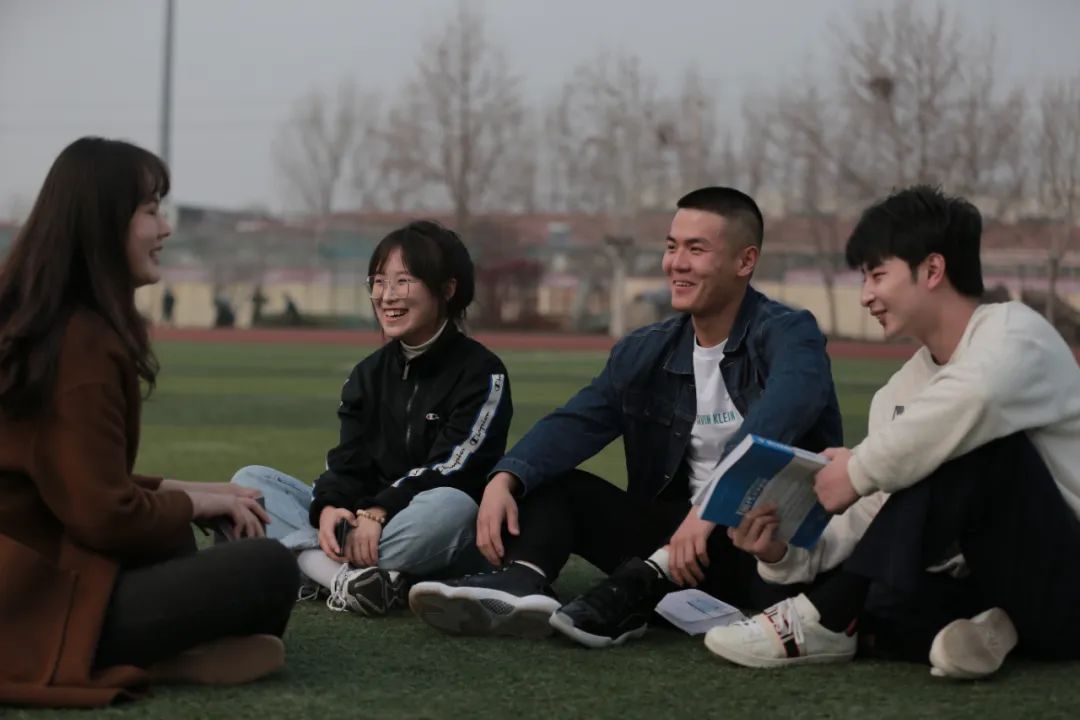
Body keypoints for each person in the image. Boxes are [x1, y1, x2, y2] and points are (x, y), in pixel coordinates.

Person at [409, 187, 843, 647]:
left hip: (765, 548)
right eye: (672, 246)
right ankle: (521, 582)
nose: (676, 263)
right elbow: (576, 422)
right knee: (552, 483)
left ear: (745, 261)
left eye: (696, 250)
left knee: (744, 527)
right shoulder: (646, 350)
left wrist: (710, 506)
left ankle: (641, 591)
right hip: (676, 543)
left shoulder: (790, 334)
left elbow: (781, 414)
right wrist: (506, 479)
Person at [703, 185, 1080, 679]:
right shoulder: (899, 392)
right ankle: (994, 628)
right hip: (996, 583)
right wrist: (782, 552)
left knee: (972, 446)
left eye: (878, 275)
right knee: (883, 596)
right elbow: (872, 515)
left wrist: (857, 469)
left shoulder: (1018, 333)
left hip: (1068, 581)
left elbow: (977, 397)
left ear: (933, 270)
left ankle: (829, 618)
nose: (866, 296)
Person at [0, 137, 299, 707]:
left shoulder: (43, 322)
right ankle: (143, 656)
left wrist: (195, 493)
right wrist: (192, 503)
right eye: (150, 210)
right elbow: (103, 516)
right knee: (267, 569)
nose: (164, 228)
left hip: (30, 585)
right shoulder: (80, 343)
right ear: (102, 221)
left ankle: (164, 649)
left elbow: (66, 479)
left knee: (173, 533)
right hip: (29, 615)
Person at [229, 220, 512, 616]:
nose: (386, 296)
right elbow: (348, 462)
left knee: (453, 506)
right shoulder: (367, 374)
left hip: (420, 526)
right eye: (378, 282)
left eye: (403, 281)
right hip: (362, 525)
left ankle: (312, 566)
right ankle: (352, 580)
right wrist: (330, 508)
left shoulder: (482, 372)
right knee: (249, 483)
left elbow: (455, 468)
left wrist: (379, 511)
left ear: (447, 289)